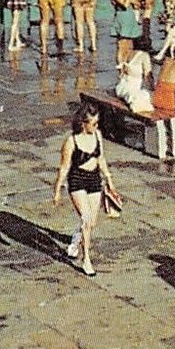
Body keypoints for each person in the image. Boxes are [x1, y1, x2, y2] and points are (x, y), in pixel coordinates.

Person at [53, 104, 118, 277]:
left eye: (97, 123)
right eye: (94, 123)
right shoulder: (71, 141)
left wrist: (109, 179)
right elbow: (64, 167)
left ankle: (77, 237)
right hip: (77, 181)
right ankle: (86, 258)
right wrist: (58, 189)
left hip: (94, 180)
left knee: (92, 223)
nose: (97, 126)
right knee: (86, 218)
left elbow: (101, 158)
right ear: (84, 124)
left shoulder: (97, 135)